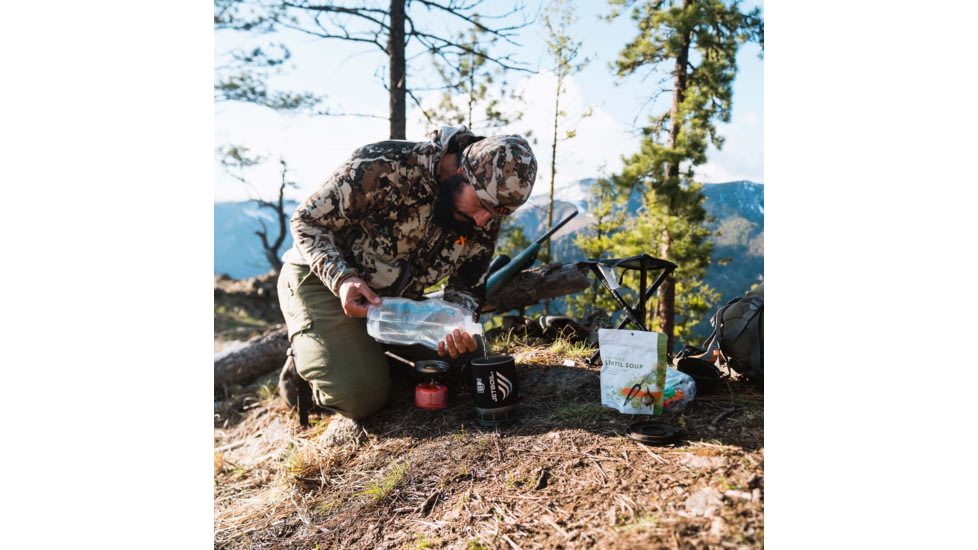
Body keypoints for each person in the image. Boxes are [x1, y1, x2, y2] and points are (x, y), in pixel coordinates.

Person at [276, 126, 537, 422]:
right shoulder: (382, 164)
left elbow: (468, 285)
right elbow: (307, 221)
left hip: (397, 302)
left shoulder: (486, 203)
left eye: (496, 214)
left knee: (472, 361)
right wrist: (341, 278)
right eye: (482, 207)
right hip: (323, 284)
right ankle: (307, 362)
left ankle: (365, 357)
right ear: (460, 171)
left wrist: (458, 319)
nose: (482, 221)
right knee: (360, 398)